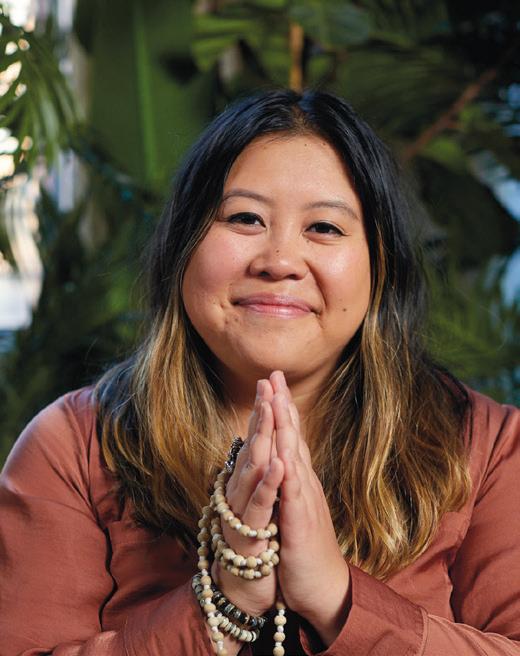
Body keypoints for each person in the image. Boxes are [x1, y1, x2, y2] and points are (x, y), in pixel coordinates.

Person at [0, 89, 518, 656]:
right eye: (245, 218)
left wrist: (338, 598)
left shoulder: (490, 448)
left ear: (381, 266)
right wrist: (225, 602)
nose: (279, 261)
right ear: (183, 248)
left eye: (325, 228)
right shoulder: (73, 446)